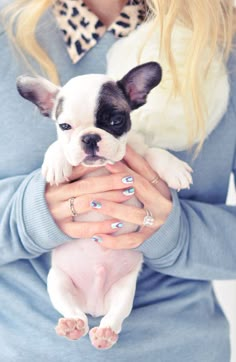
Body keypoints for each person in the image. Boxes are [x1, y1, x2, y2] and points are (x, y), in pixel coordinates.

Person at [0, 0, 235, 361]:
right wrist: (24, 218)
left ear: (137, 96)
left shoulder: (224, 42)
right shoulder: (6, 37)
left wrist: (179, 233)